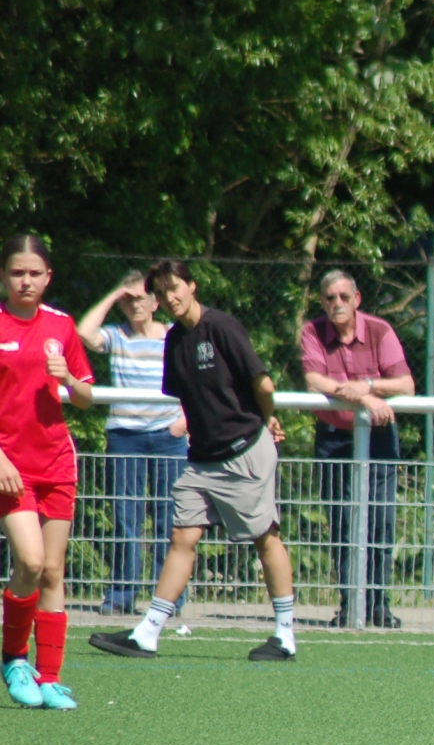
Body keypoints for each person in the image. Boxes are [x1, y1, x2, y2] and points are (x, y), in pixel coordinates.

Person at [89, 259, 297, 663]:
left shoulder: (222, 327)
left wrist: (267, 416)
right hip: (201, 459)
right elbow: (188, 394)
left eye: (175, 287)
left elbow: (263, 383)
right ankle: (147, 634)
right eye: (161, 292)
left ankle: (285, 637)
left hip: (244, 453)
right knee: (181, 538)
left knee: (265, 537)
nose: (169, 297)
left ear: (192, 285)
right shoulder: (174, 340)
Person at [0, 234, 95, 710]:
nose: (26, 281)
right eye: (17, 272)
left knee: (53, 570)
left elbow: (87, 397)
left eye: (35, 273)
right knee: (31, 562)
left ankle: (50, 677)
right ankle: (14, 658)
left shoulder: (61, 325)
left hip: (56, 463)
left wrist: (69, 379)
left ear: (48, 277)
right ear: (3, 276)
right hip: (10, 467)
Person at [300, 269, 416, 628]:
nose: (337, 303)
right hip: (334, 437)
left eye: (343, 297)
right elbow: (314, 381)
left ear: (357, 299)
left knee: (380, 521)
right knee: (342, 522)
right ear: (322, 302)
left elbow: (406, 385)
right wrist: (362, 397)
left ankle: (379, 605)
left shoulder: (380, 330)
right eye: (330, 298)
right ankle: (351, 604)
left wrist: (366, 386)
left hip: (378, 436)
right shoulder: (312, 332)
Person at [76, 272, 185, 615]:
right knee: (126, 518)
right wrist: (114, 293)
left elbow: (195, 378)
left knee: (170, 519)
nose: (136, 304)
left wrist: (185, 421)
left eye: (142, 297)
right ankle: (121, 595)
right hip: (125, 435)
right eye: (129, 299)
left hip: (169, 436)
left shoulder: (173, 335)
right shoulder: (117, 335)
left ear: (156, 302)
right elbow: (84, 333)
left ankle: (168, 599)